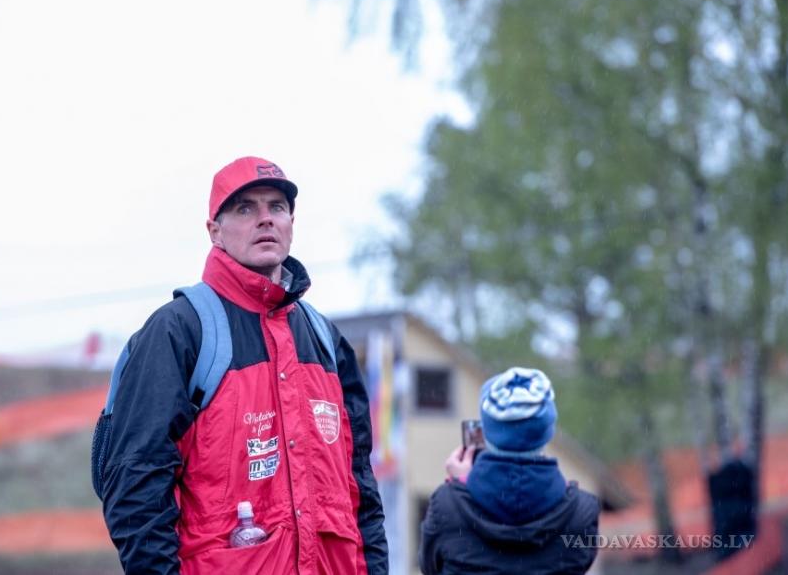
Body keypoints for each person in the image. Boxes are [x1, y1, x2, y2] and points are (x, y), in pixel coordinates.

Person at [96, 156, 388, 574]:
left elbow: (362, 494)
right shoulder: (179, 331)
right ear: (214, 231)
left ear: (291, 223)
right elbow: (135, 487)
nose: (265, 219)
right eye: (245, 208)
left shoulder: (327, 341)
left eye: (277, 207)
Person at [419, 367, 599, 575]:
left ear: (487, 432)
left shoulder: (446, 505)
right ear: (548, 431)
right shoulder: (581, 512)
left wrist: (461, 486)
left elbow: (429, 566)